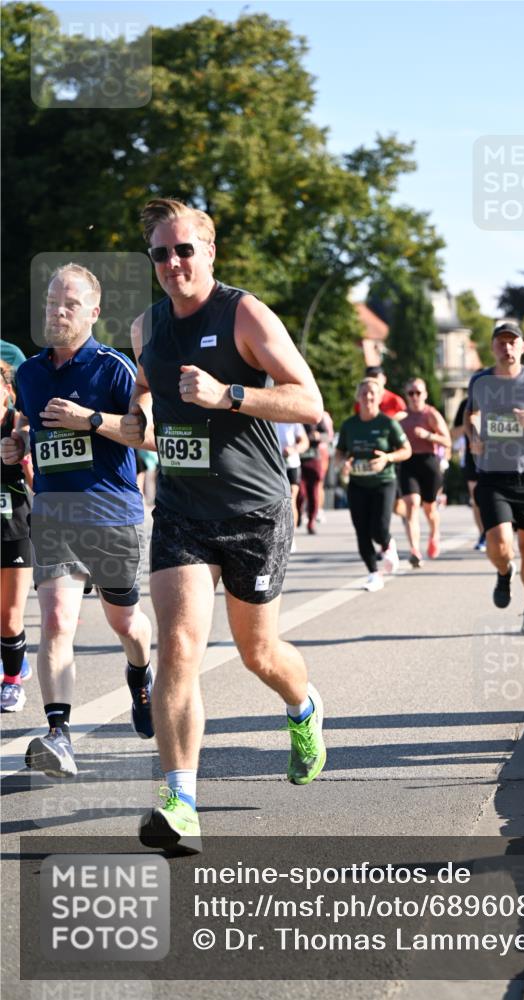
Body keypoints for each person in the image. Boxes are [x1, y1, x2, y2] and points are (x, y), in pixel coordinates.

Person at [121, 198, 326, 855]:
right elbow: (141, 411)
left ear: (209, 252)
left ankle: (303, 707)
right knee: (178, 646)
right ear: (151, 261)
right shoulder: (144, 328)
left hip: (253, 512)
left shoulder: (243, 313)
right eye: (161, 252)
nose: (174, 262)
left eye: (185, 249)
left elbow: (307, 401)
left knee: (257, 654)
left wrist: (229, 394)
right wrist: (119, 428)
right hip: (181, 511)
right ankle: (180, 801)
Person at [1, 264, 154, 776]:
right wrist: (17, 444)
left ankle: (141, 675)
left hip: (112, 517)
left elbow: (145, 435)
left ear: (93, 311)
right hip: (54, 516)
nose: (57, 312)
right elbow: (31, 429)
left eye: (69, 304)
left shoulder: (114, 367)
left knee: (126, 623)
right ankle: (58, 734)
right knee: (56, 622)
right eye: (50, 304)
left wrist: (88, 420)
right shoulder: (29, 373)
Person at [464, 320, 524, 637]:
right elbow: (471, 415)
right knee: (499, 543)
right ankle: (504, 571)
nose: (507, 347)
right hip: (493, 475)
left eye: (512, 342)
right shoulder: (480, 381)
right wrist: (475, 433)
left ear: (522, 347)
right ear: (492, 347)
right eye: (501, 342)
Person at [336, 377, 411, 591]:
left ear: (379, 397)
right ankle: (373, 573)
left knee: (378, 529)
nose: (368, 397)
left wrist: (387, 458)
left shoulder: (388, 424)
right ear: (358, 397)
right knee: (361, 531)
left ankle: (387, 543)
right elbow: (340, 452)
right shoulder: (350, 425)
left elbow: (406, 451)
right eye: (363, 393)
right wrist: (343, 464)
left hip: (383, 482)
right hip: (357, 484)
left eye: (372, 393)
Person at [1, 361, 33, 711]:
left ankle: (12, 683)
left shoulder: (17, 428)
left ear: (8, 393)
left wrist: (27, 466)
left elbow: (41, 486)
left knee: (9, 616)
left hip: (16, 529)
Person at [399, 377, 451, 567]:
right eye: (410, 393)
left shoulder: (431, 414)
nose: (414, 397)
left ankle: (434, 534)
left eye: (418, 393)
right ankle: (414, 550)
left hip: (429, 462)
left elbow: (447, 441)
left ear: (425, 394)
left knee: (429, 509)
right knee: (412, 505)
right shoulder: (401, 416)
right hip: (407, 463)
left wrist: (428, 435)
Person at [452, 392, 486, 550]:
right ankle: (483, 534)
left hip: (497, 458)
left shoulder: (500, 401)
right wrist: (469, 427)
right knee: (477, 499)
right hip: (472, 457)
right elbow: (453, 433)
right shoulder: (466, 404)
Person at [276, 421, 308, 550]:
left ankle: (291, 536)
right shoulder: (266, 415)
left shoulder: (292, 418)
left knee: (291, 500)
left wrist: (293, 449)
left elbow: (305, 442)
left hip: (292, 464)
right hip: (274, 464)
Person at [297, 418, 330, 534]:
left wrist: (319, 436)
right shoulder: (293, 413)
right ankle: (299, 513)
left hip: (313, 459)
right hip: (297, 459)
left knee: (313, 493)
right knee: (299, 492)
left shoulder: (316, 415)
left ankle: (311, 522)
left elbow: (327, 435)